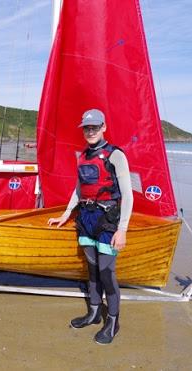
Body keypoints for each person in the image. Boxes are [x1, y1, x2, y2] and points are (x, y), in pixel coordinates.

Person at [47, 108, 133, 345]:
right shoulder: (82, 156)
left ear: (104, 127)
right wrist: (66, 214)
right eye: (87, 127)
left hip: (107, 221)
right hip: (86, 219)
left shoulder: (115, 155)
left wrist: (122, 229)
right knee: (92, 270)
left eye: (95, 126)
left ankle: (113, 321)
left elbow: (127, 194)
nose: (91, 130)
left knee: (107, 272)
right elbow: (78, 189)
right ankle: (94, 312)